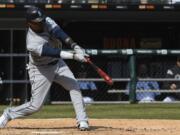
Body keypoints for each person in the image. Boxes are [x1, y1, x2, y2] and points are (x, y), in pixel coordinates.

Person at [0, 6, 89, 131]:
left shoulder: (46, 20)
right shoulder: (31, 42)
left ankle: (82, 120)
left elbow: (60, 33)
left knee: (74, 86)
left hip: (58, 64)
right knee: (35, 106)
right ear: (29, 23)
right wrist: (74, 56)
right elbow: (53, 52)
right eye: (38, 22)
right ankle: (9, 114)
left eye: (42, 20)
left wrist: (75, 45)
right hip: (40, 70)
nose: (42, 23)